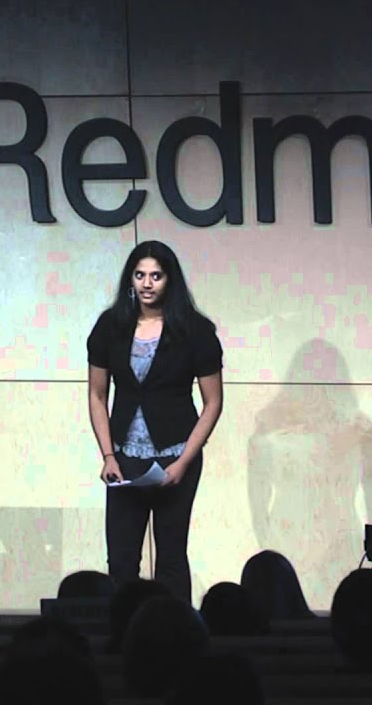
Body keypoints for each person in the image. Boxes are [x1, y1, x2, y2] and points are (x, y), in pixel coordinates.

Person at [87, 240, 224, 603]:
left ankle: (177, 644)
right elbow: (97, 395)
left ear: (170, 280)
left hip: (175, 457)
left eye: (156, 276)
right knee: (121, 561)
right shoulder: (110, 326)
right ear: (130, 280)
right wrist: (108, 457)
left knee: (171, 560)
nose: (147, 284)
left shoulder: (194, 330)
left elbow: (213, 403)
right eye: (140, 275)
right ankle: (121, 642)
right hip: (125, 460)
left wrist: (183, 463)